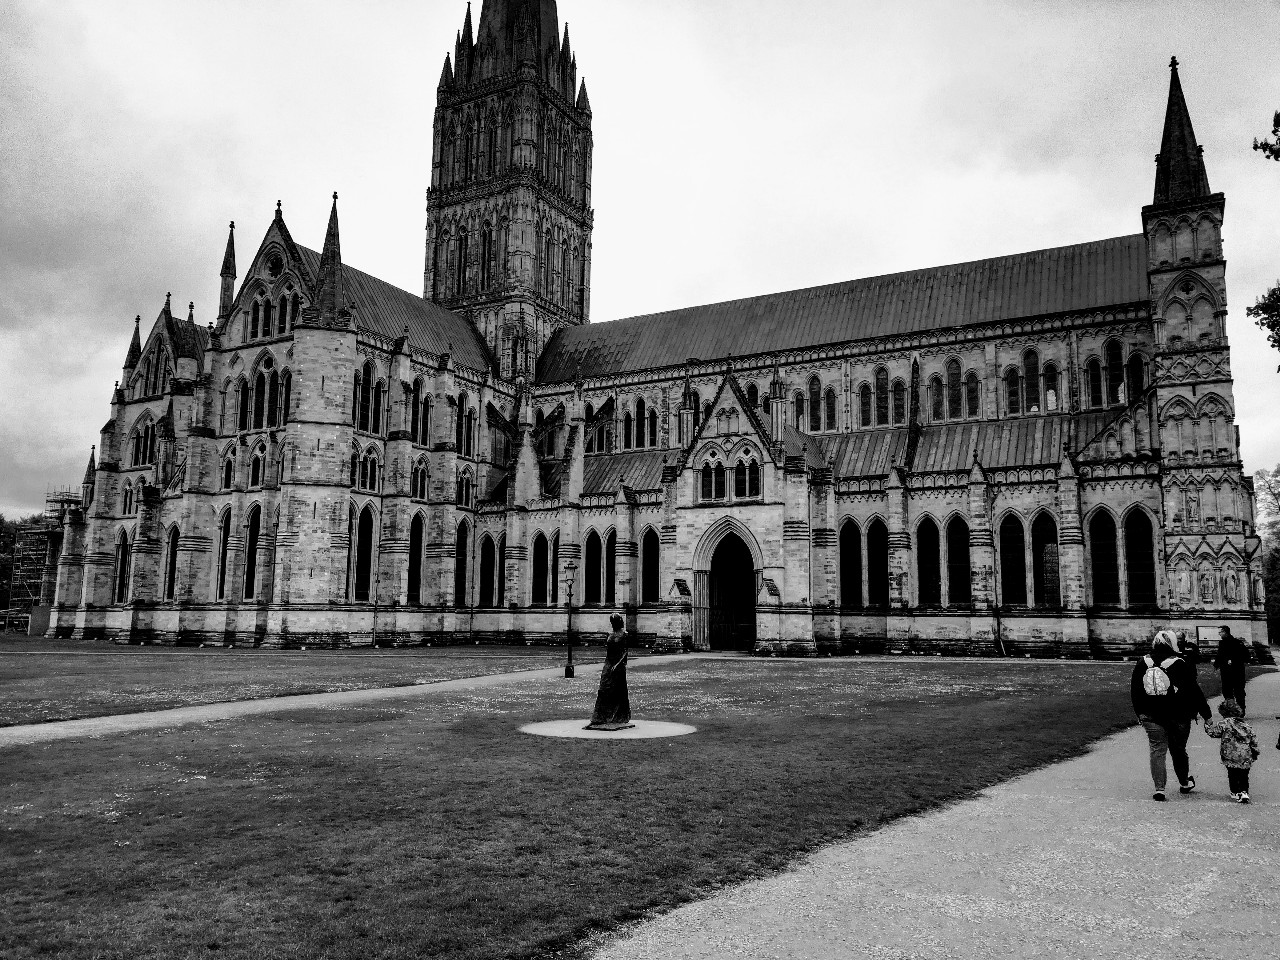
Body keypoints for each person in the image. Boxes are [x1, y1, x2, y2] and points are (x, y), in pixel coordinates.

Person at [1131, 629, 1211, 801]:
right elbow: (1194, 691)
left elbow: (1135, 691)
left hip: (1150, 715)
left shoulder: (1142, 662)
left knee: (1157, 750)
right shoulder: (1180, 662)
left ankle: (1160, 789)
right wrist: (1207, 715)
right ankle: (1184, 782)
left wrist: (1140, 713)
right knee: (1178, 750)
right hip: (1178, 714)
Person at [1204, 699, 1259, 803]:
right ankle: (1244, 792)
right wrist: (1255, 750)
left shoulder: (1224, 723)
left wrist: (1207, 727)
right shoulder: (1245, 725)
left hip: (1230, 754)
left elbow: (1214, 733)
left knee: (1232, 773)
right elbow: (1253, 738)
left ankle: (1235, 791)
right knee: (1244, 774)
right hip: (1245, 754)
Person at [586, 614, 633, 731]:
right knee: (603, 688)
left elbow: (625, 652)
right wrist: (609, 664)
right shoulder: (610, 634)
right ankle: (599, 717)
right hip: (608, 664)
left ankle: (619, 716)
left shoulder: (624, 634)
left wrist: (617, 665)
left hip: (619, 666)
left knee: (618, 690)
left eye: (614, 621)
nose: (612, 624)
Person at [1213, 626, 1250, 716]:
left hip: (1233, 671)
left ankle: (1236, 710)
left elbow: (1245, 656)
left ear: (1225, 632)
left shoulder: (1235, 643)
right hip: (1231, 671)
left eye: (1220, 632)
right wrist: (1217, 664)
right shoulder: (1228, 643)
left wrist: (1232, 661)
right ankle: (1235, 710)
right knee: (1233, 691)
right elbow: (1220, 656)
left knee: (1233, 691)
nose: (1219, 634)